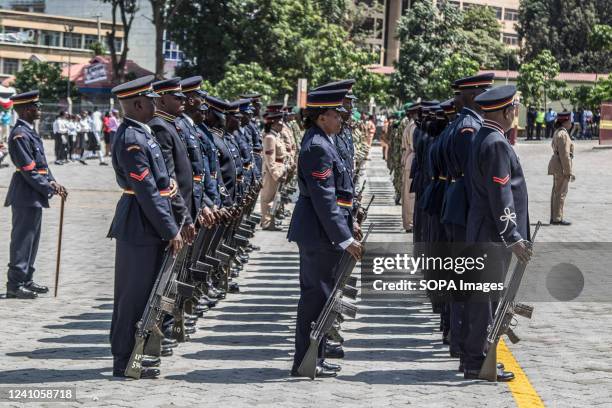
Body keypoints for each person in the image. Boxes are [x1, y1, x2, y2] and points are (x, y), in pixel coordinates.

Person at [107, 75, 183, 379]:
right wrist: (171, 230)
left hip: (147, 222)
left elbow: (159, 184)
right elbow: (147, 193)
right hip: (139, 224)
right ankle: (124, 359)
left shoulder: (142, 133)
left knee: (146, 295)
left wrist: (170, 187)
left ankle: (134, 355)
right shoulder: (131, 140)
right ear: (138, 104)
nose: (155, 102)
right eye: (150, 99)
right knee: (132, 297)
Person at [287, 86, 363, 378]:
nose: (342, 119)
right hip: (319, 233)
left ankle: (314, 356)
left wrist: (348, 223)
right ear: (321, 117)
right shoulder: (318, 146)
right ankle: (305, 360)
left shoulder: (324, 141)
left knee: (323, 297)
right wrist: (344, 238)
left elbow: (337, 197)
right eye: (336, 115)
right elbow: (324, 198)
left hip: (323, 230)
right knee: (315, 297)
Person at [467, 84, 531, 382]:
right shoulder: (495, 143)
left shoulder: (486, 137)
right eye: (514, 108)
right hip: (491, 234)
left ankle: (476, 358)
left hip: (484, 231)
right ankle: (478, 360)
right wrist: (513, 236)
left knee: (485, 297)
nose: (515, 112)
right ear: (506, 111)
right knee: (486, 299)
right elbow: (501, 194)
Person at [4, 90, 68, 299]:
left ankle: (26, 279)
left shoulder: (29, 131)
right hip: (25, 193)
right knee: (22, 240)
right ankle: (14, 284)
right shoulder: (19, 135)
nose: (39, 110)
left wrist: (53, 181)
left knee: (33, 239)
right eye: (35, 107)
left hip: (33, 193)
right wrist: (48, 187)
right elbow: (29, 169)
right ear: (25, 110)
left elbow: (42, 166)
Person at [260, 111, 287, 230]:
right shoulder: (270, 138)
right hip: (272, 173)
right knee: (268, 198)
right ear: (273, 124)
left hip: (280, 170)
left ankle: (272, 221)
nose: (282, 125)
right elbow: (270, 160)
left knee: (275, 198)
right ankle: (266, 222)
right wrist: (276, 174)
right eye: (279, 123)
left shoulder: (276, 136)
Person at [548, 111, 574, 226]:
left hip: (556, 163)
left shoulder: (558, 132)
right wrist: (568, 172)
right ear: (565, 121)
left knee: (556, 192)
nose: (571, 123)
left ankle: (554, 217)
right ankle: (557, 218)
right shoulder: (563, 134)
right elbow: (565, 155)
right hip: (561, 165)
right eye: (570, 121)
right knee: (560, 193)